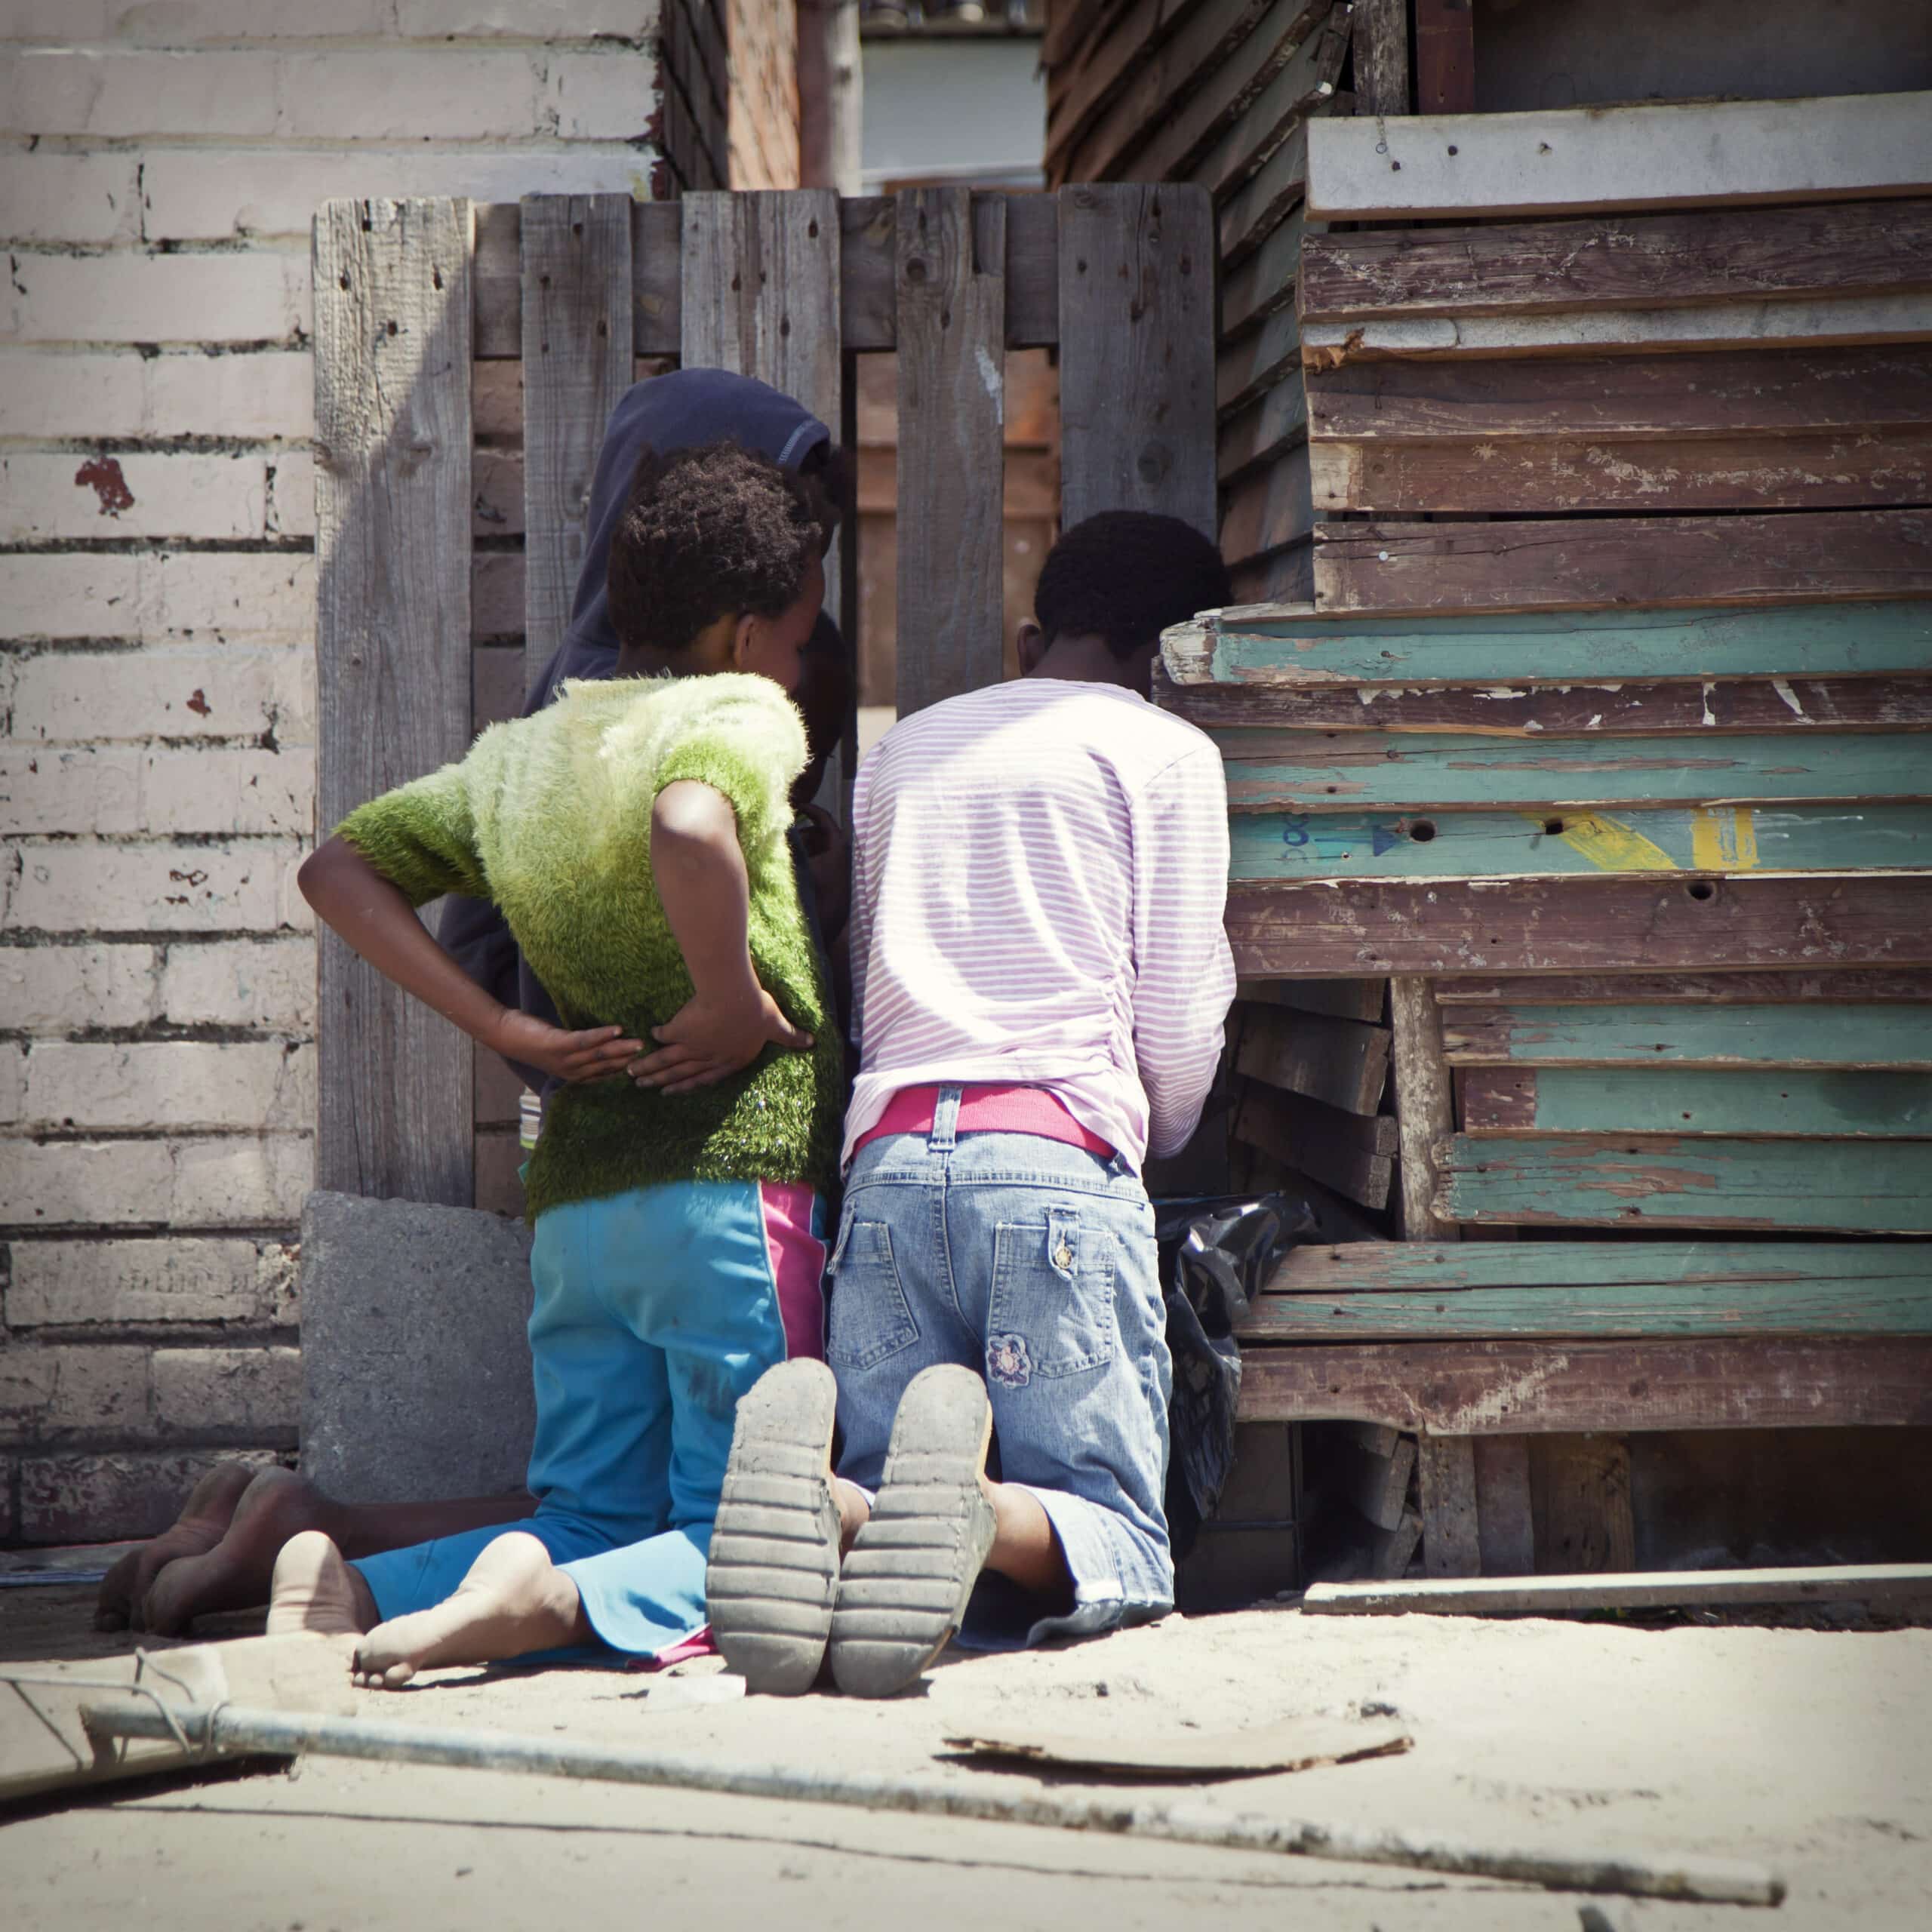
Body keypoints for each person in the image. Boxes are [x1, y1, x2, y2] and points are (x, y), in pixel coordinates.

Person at [94, 372, 852, 1641]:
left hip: (579, 1220)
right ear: (738, 637)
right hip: (729, 1190)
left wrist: (506, 1034)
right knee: (752, 1527)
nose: (797, 666)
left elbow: (336, 867)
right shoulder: (732, 713)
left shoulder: (523, 754)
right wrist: (731, 1001)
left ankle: (359, 1591)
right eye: (790, 638)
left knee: (587, 1510)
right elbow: (686, 817)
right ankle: (546, 1608)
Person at [703, 510, 1238, 1698]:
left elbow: (864, 967)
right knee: (1119, 1532)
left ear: (1036, 634)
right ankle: (975, 1509)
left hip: (890, 1168)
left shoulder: (907, 749)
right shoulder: (1165, 752)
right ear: (1180, 660)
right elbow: (1179, 1012)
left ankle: (835, 1502)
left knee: (895, 1486)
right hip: (1051, 1160)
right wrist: (1147, 1138)